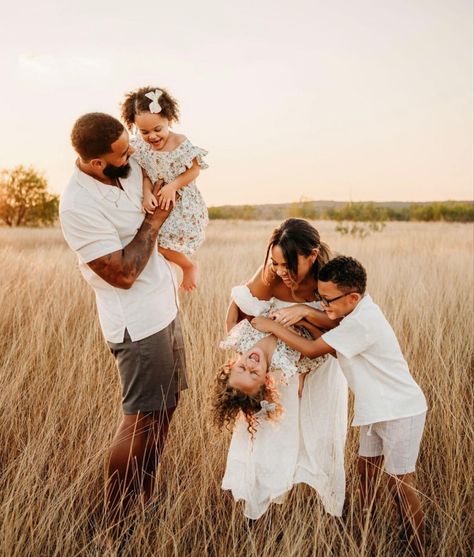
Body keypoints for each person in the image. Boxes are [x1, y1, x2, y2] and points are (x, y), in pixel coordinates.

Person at [59, 112, 188, 539]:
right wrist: (155, 221)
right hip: (137, 324)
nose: (131, 151)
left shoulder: (129, 167)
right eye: (121, 150)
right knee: (140, 418)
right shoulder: (78, 204)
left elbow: (172, 159)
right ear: (97, 163)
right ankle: (114, 522)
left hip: (165, 306)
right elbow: (122, 274)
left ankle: (145, 500)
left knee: (166, 408)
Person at [252, 256, 427, 555]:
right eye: (320, 297)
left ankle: (420, 547)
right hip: (374, 410)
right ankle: (363, 535)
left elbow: (311, 348)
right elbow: (335, 349)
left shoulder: (363, 323)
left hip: (400, 410)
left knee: (399, 485)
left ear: (353, 297)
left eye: (328, 300)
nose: (324, 305)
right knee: (365, 476)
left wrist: (271, 324)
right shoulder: (355, 315)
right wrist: (305, 316)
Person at [215, 219, 348, 519]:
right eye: (275, 263)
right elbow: (238, 304)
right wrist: (245, 351)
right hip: (282, 368)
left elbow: (343, 328)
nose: (281, 272)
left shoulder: (330, 279)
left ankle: (324, 513)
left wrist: (301, 312)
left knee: (321, 436)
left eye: (288, 265)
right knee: (272, 434)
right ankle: (262, 504)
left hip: (322, 363)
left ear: (312, 256)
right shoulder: (271, 276)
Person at [120, 86, 209, 291]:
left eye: (157, 129)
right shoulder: (142, 147)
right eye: (144, 132)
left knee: (160, 244)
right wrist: (147, 193)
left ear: (169, 120)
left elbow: (194, 170)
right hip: (158, 197)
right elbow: (145, 172)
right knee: (150, 243)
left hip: (180, 200)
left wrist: (173, 186)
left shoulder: (180, 142)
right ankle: (165, 276)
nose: (151, 136)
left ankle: (188, 266)